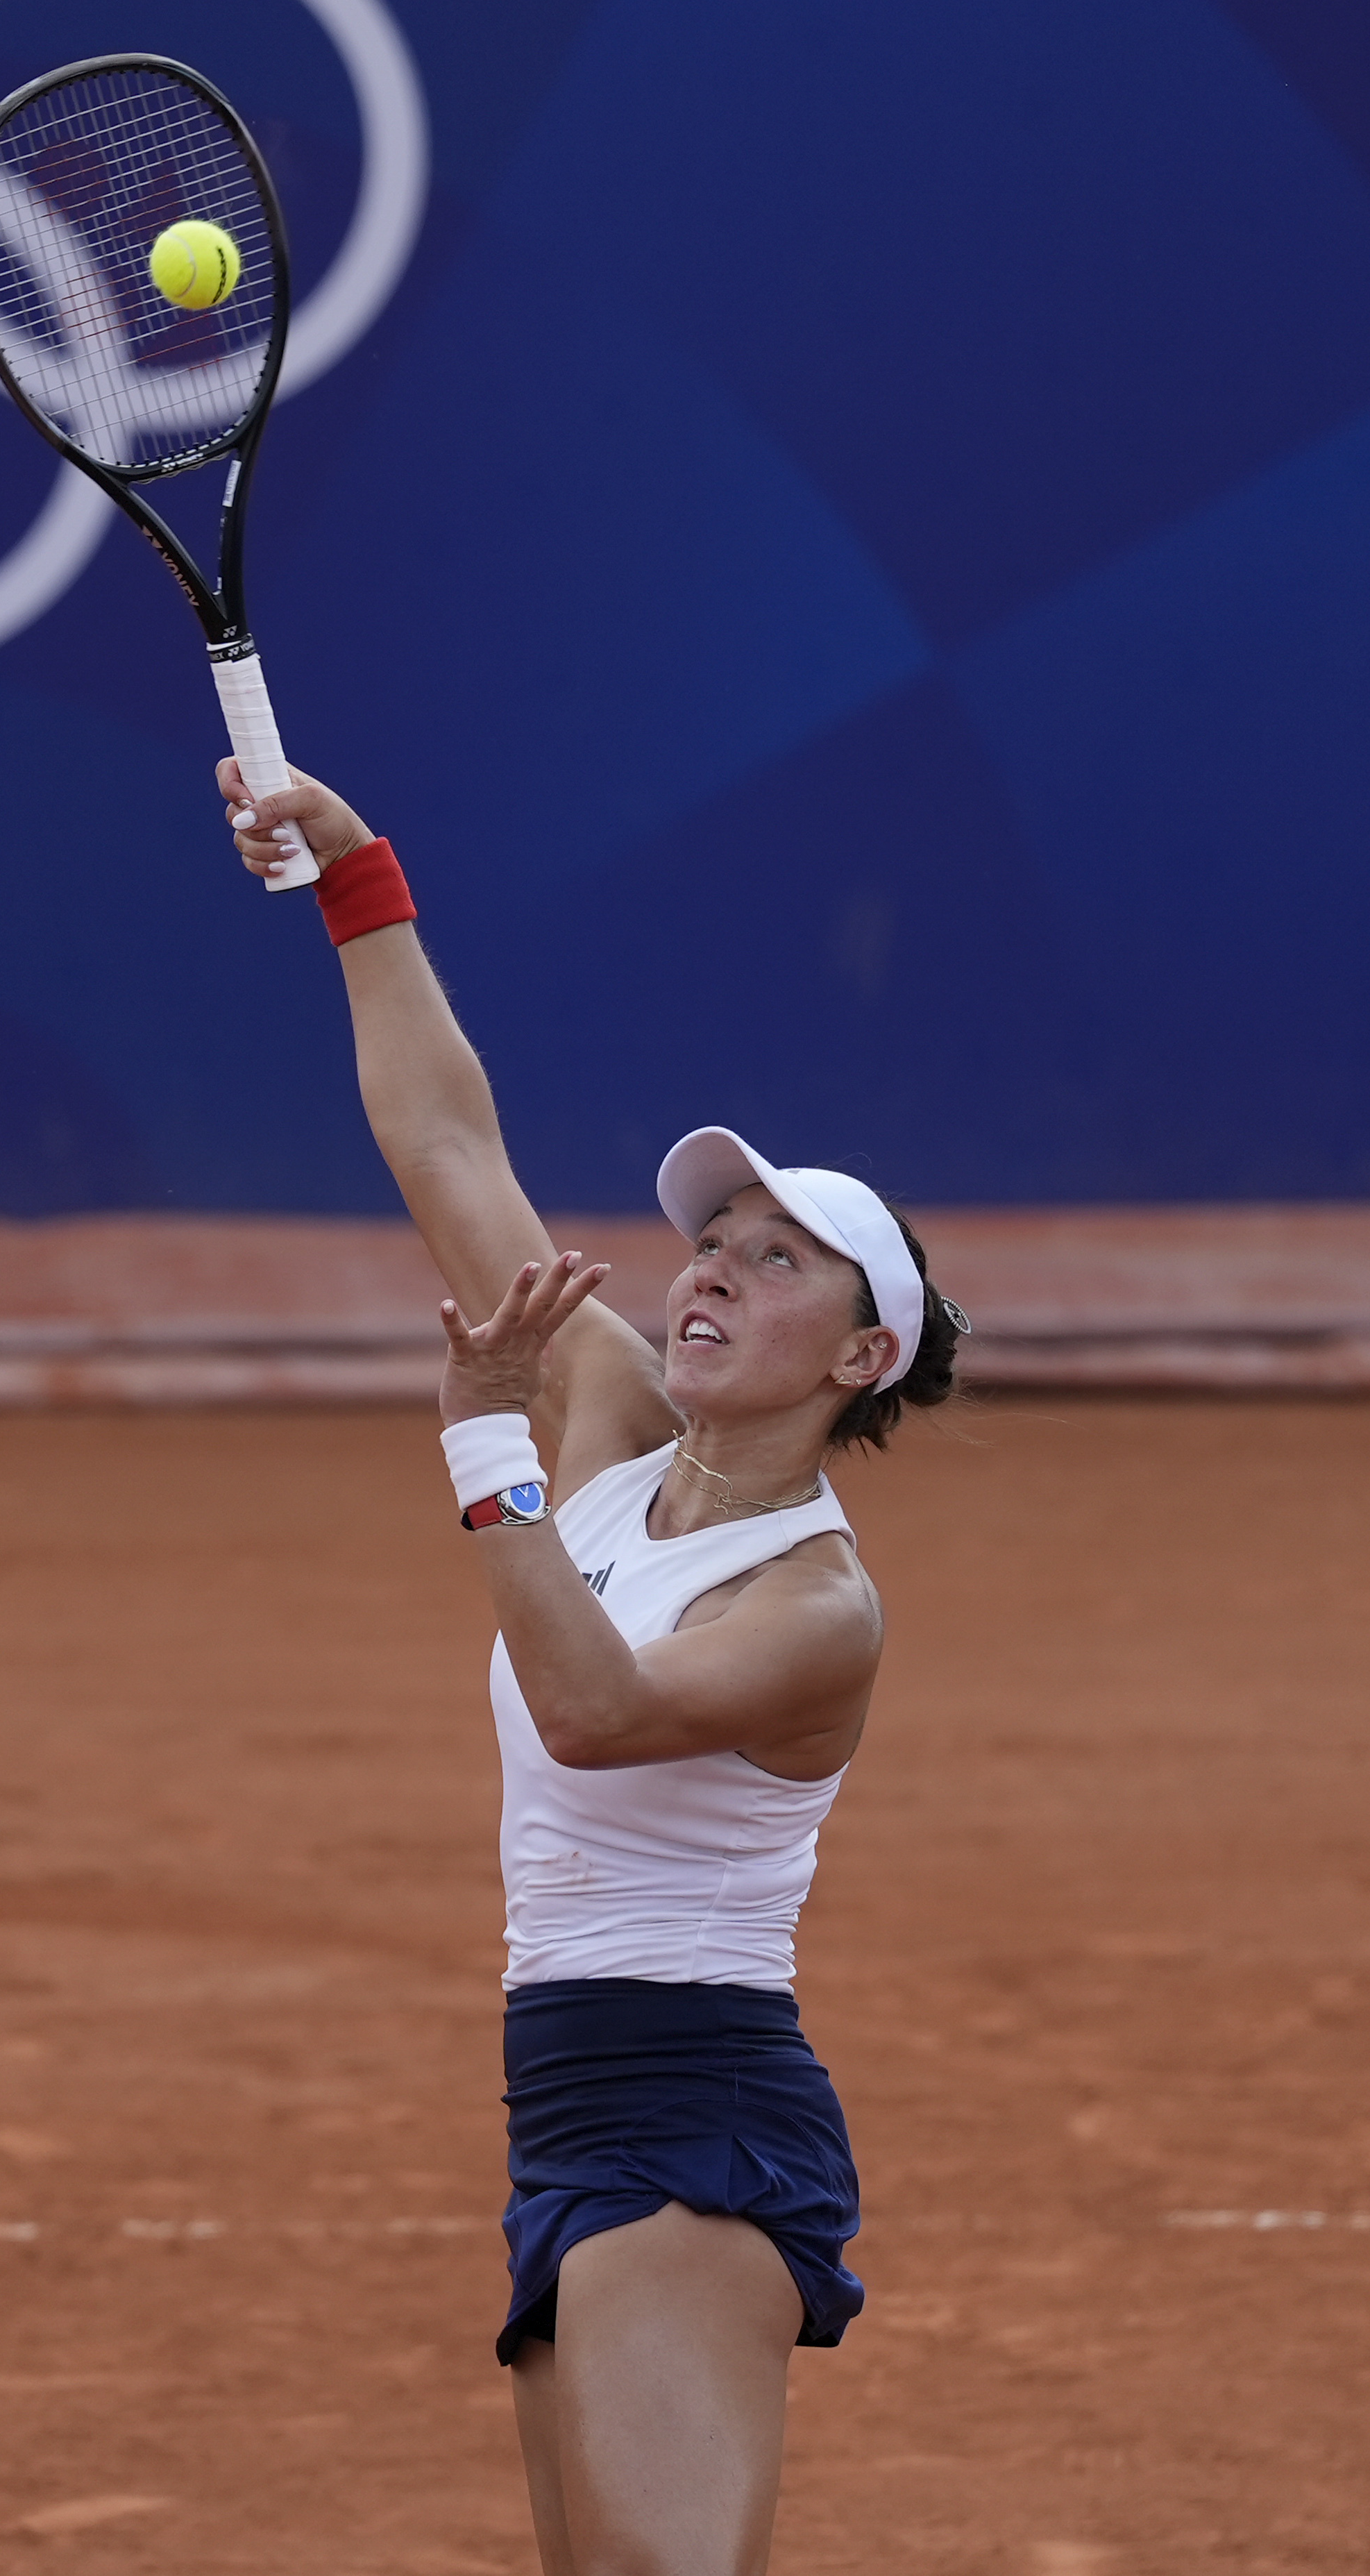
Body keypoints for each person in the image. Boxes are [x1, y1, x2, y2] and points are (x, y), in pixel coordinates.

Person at [217, 757, 965, 2574]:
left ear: (860, 1362)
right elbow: (450, 1147)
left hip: (695, 2120)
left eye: (776, 1264)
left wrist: (490, 1449)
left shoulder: (814, 1610)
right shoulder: (620, 1423)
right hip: (565, 2100)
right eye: (710, 1241)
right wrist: (359, 881)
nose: (711, 1272)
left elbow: (597, 1710)